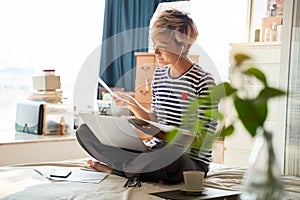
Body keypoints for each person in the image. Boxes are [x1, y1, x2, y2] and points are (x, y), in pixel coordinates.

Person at [76, 9, 218, 185]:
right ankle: (140, 169)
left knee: (168, 155)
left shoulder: (203, 81)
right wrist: (134, 105)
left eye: (163, 46)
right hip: (155, 152)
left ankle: (118, 170)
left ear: (183, 45)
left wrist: (161, 135)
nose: (156, 51)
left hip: (187, 161)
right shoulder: (159, 75)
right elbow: (156, 119)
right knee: (85, 131)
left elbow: (201, 140)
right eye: (155, 44)